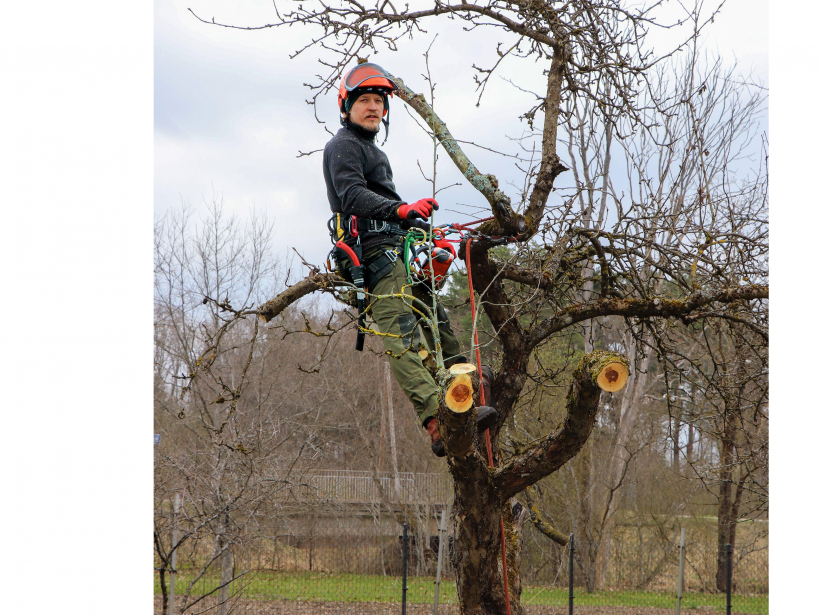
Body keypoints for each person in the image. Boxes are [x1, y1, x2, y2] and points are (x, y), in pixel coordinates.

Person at [323, 62, 496, 456]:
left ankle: (465, 394)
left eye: (378, 101)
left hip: (395, 248)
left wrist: (415, 225)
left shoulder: (373, 150)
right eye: (364, 101)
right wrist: (401, 210)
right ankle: (437, 421)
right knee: (403, 338)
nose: (373, 107)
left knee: (437, 321)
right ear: (346, 107)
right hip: (371, 255)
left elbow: (384, 203)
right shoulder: (343, 146)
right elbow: (352, 196)